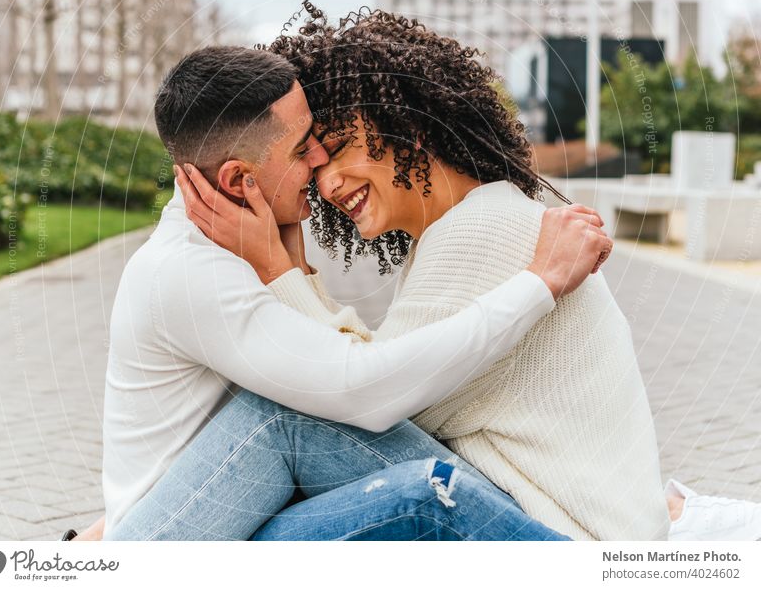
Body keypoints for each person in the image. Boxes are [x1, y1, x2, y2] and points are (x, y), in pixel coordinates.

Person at [151, 4, 761, 541]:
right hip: (541, 518)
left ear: (407, 126)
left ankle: (122, 552)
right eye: (310, 163)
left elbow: (353, 398)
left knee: (281, 422)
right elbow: (367, 376)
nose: (326, 183)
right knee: (257, 521)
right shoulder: (470, 222)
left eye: (336, 149)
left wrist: (276, 267)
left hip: (561, 542)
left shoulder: (484, 229)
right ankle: (127, 543)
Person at [93, 44, 609, 541]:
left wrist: (289, 261)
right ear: (237, 180)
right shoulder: (192, 274)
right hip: (180, 540)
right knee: (296, 419)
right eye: (303, 148)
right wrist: (539, 284)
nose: (318, 160)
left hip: (232, 512)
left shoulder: (232, 244)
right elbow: (365, 389)